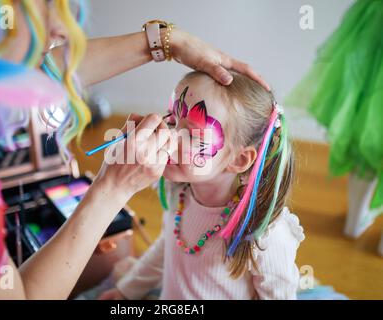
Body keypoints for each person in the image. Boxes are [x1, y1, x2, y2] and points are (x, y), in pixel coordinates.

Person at [0, 0, 269, 300]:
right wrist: (112, 188)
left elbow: (37, 71)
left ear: (240, 159)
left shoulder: (265, 239)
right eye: (42, 3)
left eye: (193, 132)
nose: (61, 28)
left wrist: (168, 40)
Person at [99, 71, 304, 300]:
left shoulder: (264, 234)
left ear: (238, 159)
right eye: (172, 120)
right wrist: (127, 290)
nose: (171, 136)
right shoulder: (180, 192)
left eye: (192, 134)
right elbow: (168, 249)